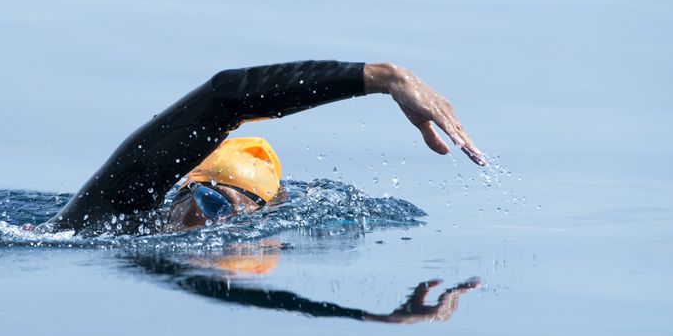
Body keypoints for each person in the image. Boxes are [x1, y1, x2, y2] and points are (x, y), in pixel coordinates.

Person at [46, 60, 487, 235]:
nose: (212, 226)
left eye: (238, 218)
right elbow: (223, 98)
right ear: (180, 192)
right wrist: (383, 79)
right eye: (213, 202)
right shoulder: (105, 215)